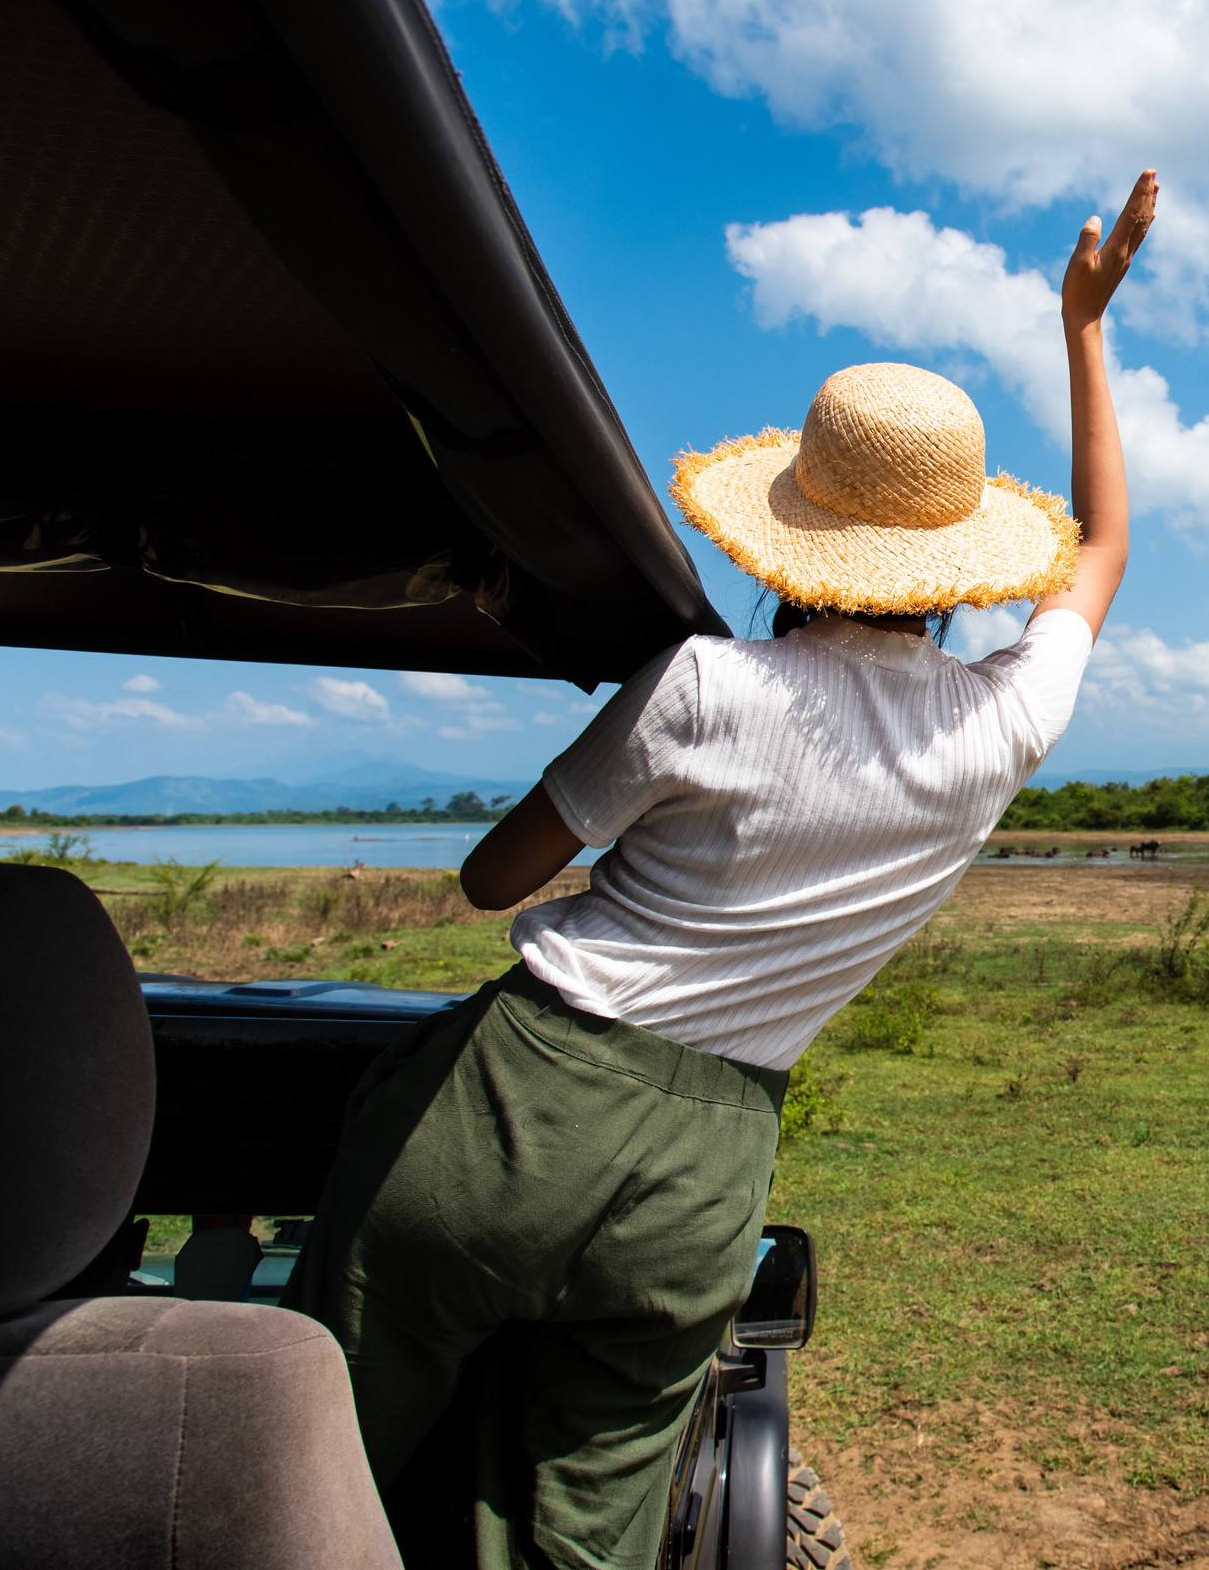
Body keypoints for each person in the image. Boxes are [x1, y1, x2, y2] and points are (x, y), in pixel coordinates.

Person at [287, 169, 1160, 1570]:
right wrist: (1084, 324)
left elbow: (488, 880)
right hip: (705, 1166)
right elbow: (1105, 547)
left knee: (313, 1468)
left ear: (794, 532)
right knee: (591, 1529)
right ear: (951, 565)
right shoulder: (1003, 721)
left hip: (514, 1096)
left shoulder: (698, 683)